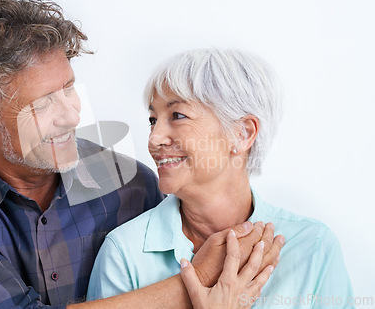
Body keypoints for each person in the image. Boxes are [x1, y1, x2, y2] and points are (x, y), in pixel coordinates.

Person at [0, 0, 283, 308]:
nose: (71, 116)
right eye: (42, 103)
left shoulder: (130, 185)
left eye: (68, 89)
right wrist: (198, 279)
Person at [87, 48, 354, 308]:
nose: (154, 139)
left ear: (242, 133)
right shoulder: (123, 253)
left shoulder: (313, 248)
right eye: (153, 120)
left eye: (177, 115)